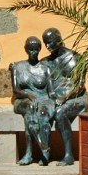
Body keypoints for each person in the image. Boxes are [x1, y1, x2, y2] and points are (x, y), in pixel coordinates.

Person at [41, 27, 88, 166]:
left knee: (60, 112)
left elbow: (80, 86)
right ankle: (44, 153)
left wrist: (64, 98)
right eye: (46, 43)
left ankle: (68, 155)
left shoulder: (76, 58)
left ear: (59, 39)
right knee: (41, 112)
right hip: (54, 99)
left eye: (50, 42)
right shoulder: (46, 62)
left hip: (77, 98)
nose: (48, 46)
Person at [9, 36, 55, 166]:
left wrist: (56, 101)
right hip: (23, 100)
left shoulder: (46, 69)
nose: (33, 52)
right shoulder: (17, 67)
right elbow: (16, 90)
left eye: (35, 50)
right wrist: (28, 95)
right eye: (30, 49)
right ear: (25, 49)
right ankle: (31, 151)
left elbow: (50, 92)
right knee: (30, 109)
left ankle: (44, 153)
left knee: (42, 115)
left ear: (39, 50)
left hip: (44, 100)